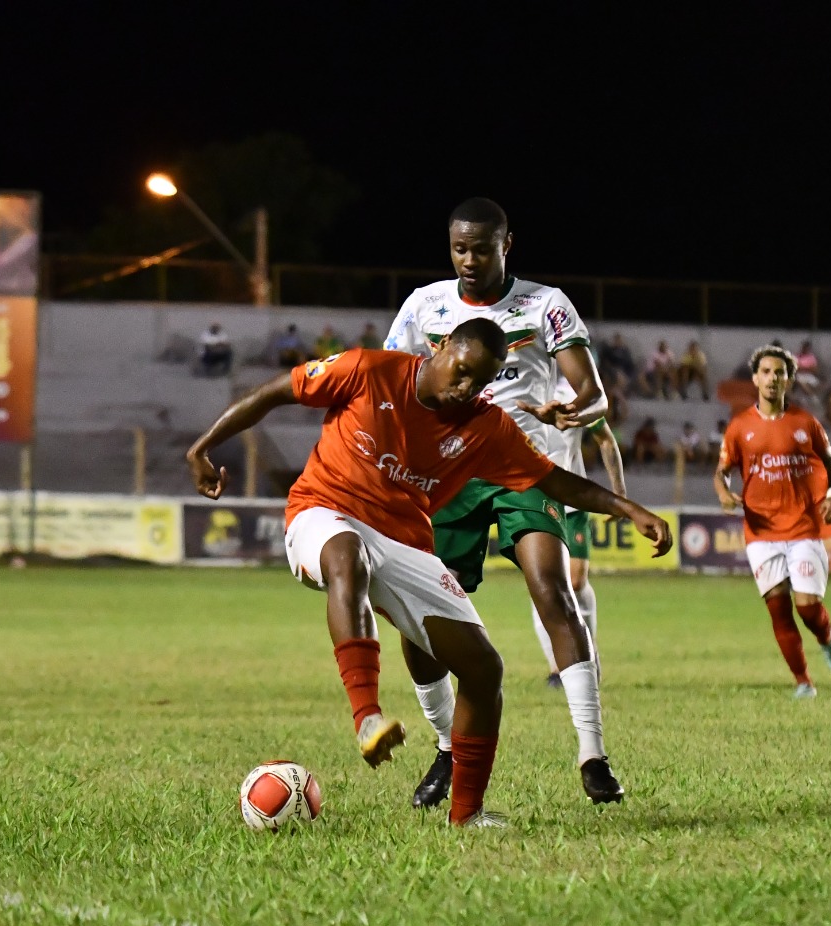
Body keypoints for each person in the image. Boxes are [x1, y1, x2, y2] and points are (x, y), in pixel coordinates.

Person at [185, 320, 671, 826]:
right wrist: (202, 448)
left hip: (404, 540)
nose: (464, 389)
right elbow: (272, 393)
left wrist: (628, 509)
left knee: (484, 669)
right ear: (439, 348)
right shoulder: (368, 370)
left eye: (478, 382)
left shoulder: (486, 426)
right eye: (460, 371)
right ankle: (367, 717)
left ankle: (467, 814)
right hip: (323, 512)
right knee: (347, 555)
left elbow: (553, 480)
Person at [384, 199, 631, 808]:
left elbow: (595, 396)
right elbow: (396, 381)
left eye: (482, 249)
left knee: (553, 590)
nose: (469, 261)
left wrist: (575, 409)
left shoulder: (546, 306)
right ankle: (446, 747)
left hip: (523, 469)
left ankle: (593, 754)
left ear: (506, 245)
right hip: (447, 475)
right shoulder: (424, 305)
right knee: (424, 620)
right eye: (459, 249)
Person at [714, 345, 831, 698]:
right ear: (756, 378)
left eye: (780, 372)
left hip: (803, 527)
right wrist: (724, 494)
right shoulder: (740, 426)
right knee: (777, 607)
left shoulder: (806, 424)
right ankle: (804, 682)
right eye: (767, 372)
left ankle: (826, 638)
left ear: (789, 379)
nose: (773, 378)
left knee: (807, 606)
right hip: (761, 532)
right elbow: (722, 472)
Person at [531, 379, 627, 688]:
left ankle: (588, 652)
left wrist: (619, 494)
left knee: (575, 580)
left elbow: (606, 440)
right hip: (533, 501)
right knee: (545, 582)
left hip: (570, 501)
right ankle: (559, 667)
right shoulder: (516, 387)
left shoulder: (571, 392)